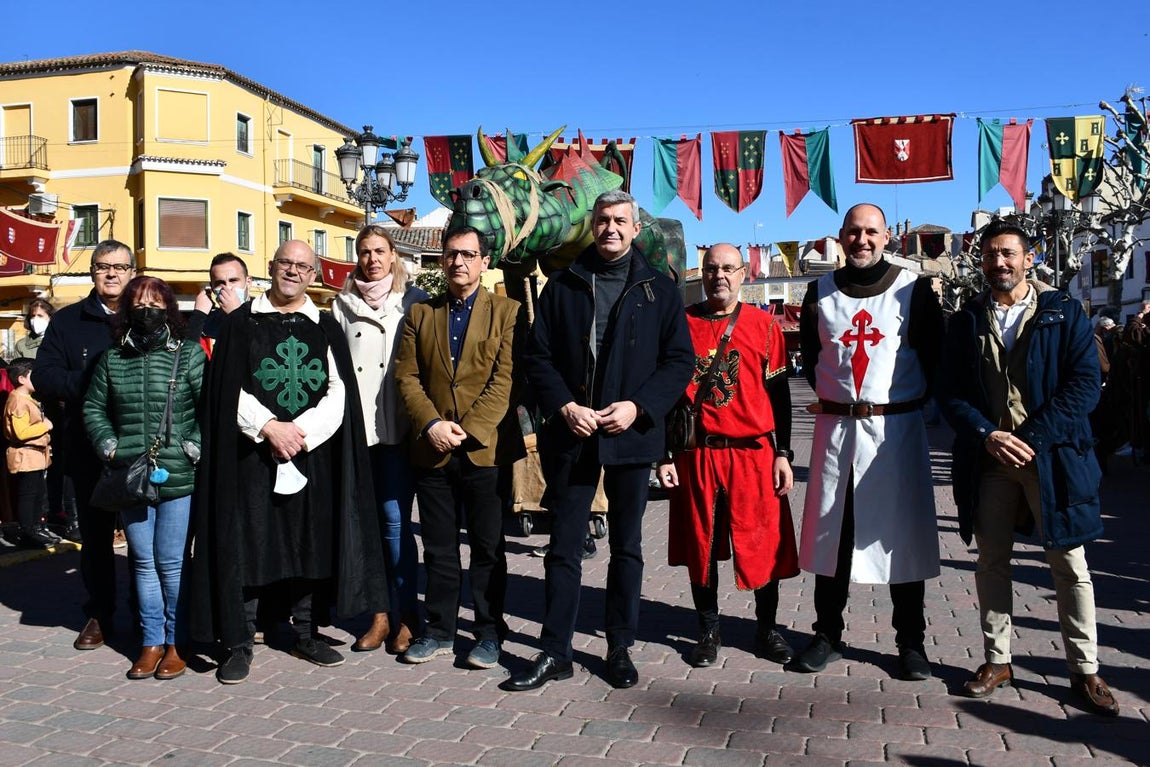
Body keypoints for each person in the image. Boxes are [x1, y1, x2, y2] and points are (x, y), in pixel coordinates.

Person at [502, 190, 693, 691]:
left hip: (631, 435)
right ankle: (555, 650)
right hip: (573, 433)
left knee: (627, 547)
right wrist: (564, 404)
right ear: (594, 225)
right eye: (603, 220)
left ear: (634, 229)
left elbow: (679, 362)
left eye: (620, 221)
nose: (610, 228)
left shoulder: (659, 288)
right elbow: (537, 356)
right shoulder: (563, 284)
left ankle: (619, 646)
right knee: (563, 548)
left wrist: (638, 407)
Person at [938, 220, 1119, 716]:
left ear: (1029, 257)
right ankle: (998, 660)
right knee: (992, 561)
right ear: (981, 261)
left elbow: (1084, 386)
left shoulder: (1063, 311)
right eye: (991, 255)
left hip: (1054, 458)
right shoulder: (968, 318)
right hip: (991, 460)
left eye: (1009, 253)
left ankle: (1085, 669)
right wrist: (988, 435)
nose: (999, 262)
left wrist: (1031, 438)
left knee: (1070, 566)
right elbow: (950, 391)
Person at [190, 240, 386, 685]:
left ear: (313, 274)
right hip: (251, 455)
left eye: (302, 266)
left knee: (308, 540)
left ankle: (304, 632)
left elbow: (339, 391)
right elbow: (224, 390)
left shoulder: (325, 326)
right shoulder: (240, 323)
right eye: (285, 263)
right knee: (248, 541)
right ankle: (239, 643)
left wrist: (302, 434)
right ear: (271, 267)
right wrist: (267, 427)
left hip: (311, 453)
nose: (293, 271)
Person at [793, 203, 943, 681]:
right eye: (854, 232)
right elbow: (815, 359)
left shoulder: (913, 291)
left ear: (887, 237)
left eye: (871, 232)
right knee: (831, 536)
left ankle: (911, 643)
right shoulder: (818, 294)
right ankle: (827, 634)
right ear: (841, 236)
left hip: (894, 434)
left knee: (902, 538)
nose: (862, 240)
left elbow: (935, 358)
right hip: (836, 430)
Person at [657, 243, 799, 668]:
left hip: (753, 453)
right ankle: (708, 629)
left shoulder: (764, 325)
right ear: (702, 274)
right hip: (697, 453)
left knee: (761, 544)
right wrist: (663, 455)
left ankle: (767, 629)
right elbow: (665, 395)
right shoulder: (680, 324)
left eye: (728, 269)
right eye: (711, 268)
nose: (719, 275)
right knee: (701, 544)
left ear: (744, 275)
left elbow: (779, 395)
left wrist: (784, 453)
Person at [394, 225, 522, 669]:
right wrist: (431, 423)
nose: (458, 263)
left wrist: (465, 429)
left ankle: (489, 633)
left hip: (483, 450)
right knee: (439, 548)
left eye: (468, 255)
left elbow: (504, 380)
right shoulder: (421, 315)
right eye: (451, 254)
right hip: (432, 449)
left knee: (488, 549)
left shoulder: (507, 312)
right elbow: (406, 377)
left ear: (485, 262)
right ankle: (440, 630)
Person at [83, 277, 206, 680]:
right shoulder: (112, 358)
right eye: (139, 302)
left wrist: (193, 445)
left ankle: (176, 641)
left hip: (176, 472)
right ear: (126, 310)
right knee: (142, 561)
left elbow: (208, 408)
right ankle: (150, 641)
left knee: (171, 563)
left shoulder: (187, 354)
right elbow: (93, 408)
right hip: (130, 473)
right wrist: (110, 446)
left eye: (155, 302)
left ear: (168, 307)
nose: (147, 309)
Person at [33, 239, 136, 651]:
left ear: (132, 271)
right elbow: (44, 375)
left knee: (144, 537)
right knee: (95, 539)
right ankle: (100, 614)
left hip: (143, 447)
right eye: (102, 266)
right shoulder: (68, 320)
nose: (111, 273)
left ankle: (149, 616)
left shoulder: (149, 315)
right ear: (92, 272)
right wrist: (92, 385)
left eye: (119, 266)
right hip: (88, 446)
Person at [332, 224, 428, 655]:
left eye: (380, 251)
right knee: (365, 529)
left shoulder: (414, 303)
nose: (372, 259)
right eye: (365, 251)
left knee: (394, 526)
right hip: (357, 434)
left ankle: (407, 613)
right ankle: (378, 615)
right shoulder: (340, 307)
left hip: (399, 433)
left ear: (393, 256)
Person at [4, 357, 59, 548]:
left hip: (36, 455)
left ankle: (36, 529)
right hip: (26, 455)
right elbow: (20, 432)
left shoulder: (28, 398)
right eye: (33, 375)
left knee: (38, 495)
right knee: (28, 496)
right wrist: (44, 426)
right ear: (21, 379)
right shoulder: (18, 400)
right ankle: (28, 532)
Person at [188, 253, 253, 351]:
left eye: (233, 280)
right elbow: (189, 356)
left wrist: (236, 314)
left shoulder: (263, 315)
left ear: (248, 282)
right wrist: (198, 316)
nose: (227, 287)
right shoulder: (208, 324)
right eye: (220, 283)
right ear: (212, 287)